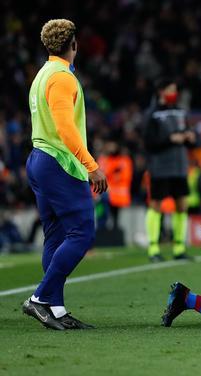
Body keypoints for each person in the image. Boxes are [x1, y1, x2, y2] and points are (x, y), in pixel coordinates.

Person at [23, 19, 107, 330]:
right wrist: (91, 165)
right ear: (73, 44)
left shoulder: (42, 74)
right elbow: (65, 128)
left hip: (40, 158)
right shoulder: (62, 78)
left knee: (56, 235)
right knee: (82, 233)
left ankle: (55, 308)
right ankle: (40, 299)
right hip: (59, 162)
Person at [142, 79, 195, 262]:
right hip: (160, 166)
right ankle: (153, 249)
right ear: (161, 91)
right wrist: (170, 139)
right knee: (156, 205)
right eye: (170, 89)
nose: (174, 92)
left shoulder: (181, 111)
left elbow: (189, 137)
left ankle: (179, 248)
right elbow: (148, 142)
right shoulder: (152, 114)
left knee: (181, 205)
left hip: (179, 165)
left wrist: (189, 137)